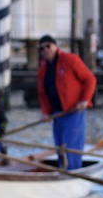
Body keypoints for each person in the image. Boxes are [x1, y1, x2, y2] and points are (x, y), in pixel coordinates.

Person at [35, 34, 96, 170]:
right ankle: (62, 170)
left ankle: (73, 171)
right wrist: (45, 113)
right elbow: (43, 94)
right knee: (60, 145)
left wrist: (84, 100)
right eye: (41, 48)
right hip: (57, 113)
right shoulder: (43, 69)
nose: (45, 50)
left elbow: (90, 79)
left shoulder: (70, 59)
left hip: (73, 110)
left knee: (71, 145)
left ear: (55, 46)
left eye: (48, 46)